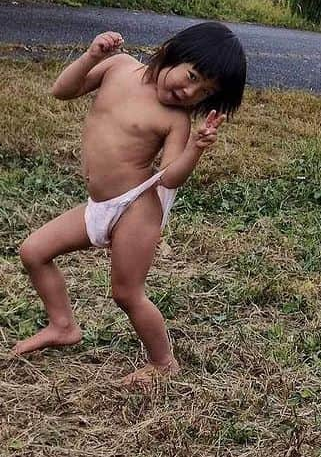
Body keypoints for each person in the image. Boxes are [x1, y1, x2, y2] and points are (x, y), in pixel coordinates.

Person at [11, 22, 247, 387]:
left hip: (136, 209)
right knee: (33, 251)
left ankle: (163, 362)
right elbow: (63, 90)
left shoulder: (176, 120)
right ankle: (63, 325)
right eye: (192, 75)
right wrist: (91, 56)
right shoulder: (118, 66)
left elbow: (169, 177)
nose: (189, 91)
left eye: (203, 92)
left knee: (126, 293)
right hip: (99, 204)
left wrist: (195, 149)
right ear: (172, 51)